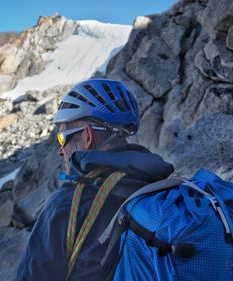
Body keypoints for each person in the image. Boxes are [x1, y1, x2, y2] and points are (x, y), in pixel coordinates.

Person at [15, 79, 174, 281]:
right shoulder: (162, 186)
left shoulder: (68, 203)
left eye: (62, 138)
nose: (59, 150)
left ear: (88, 136)